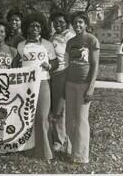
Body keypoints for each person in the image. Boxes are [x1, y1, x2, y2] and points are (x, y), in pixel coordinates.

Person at [17, 12, 58, 162]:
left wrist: (49, 66)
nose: (34, 28)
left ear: (41, 29)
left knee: (42, 117)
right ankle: (30, 149)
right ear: (27, 28)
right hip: (25, 84)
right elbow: (17, 64)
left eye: (37, 26)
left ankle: (45, 152)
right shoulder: (21, 45)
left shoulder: (47, 44)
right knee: (28, 117)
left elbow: (56, 63)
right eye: (31, 26)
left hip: (42, 83)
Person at [65, 11, 100, 163]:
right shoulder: (70, 42)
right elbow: (66, 64)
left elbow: (95, 65)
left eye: (80, 22)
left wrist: (90, 88)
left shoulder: (92, 40)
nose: (77, 25)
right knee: (70, 120)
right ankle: (73, 149)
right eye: (75, 23)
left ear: (86, 24)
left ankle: (81, 156)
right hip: (70, 83)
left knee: (81, 119)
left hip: (84, 84)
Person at [49, 12, 75, 154]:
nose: (58, 25)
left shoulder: (70, 37)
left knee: (60, 109)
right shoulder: (53, 37)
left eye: (61, 22)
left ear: (67, 23)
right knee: (53, 108)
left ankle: (60, 142)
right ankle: (56, 138)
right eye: (55, 22)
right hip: (51, 75)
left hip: (63, 73)